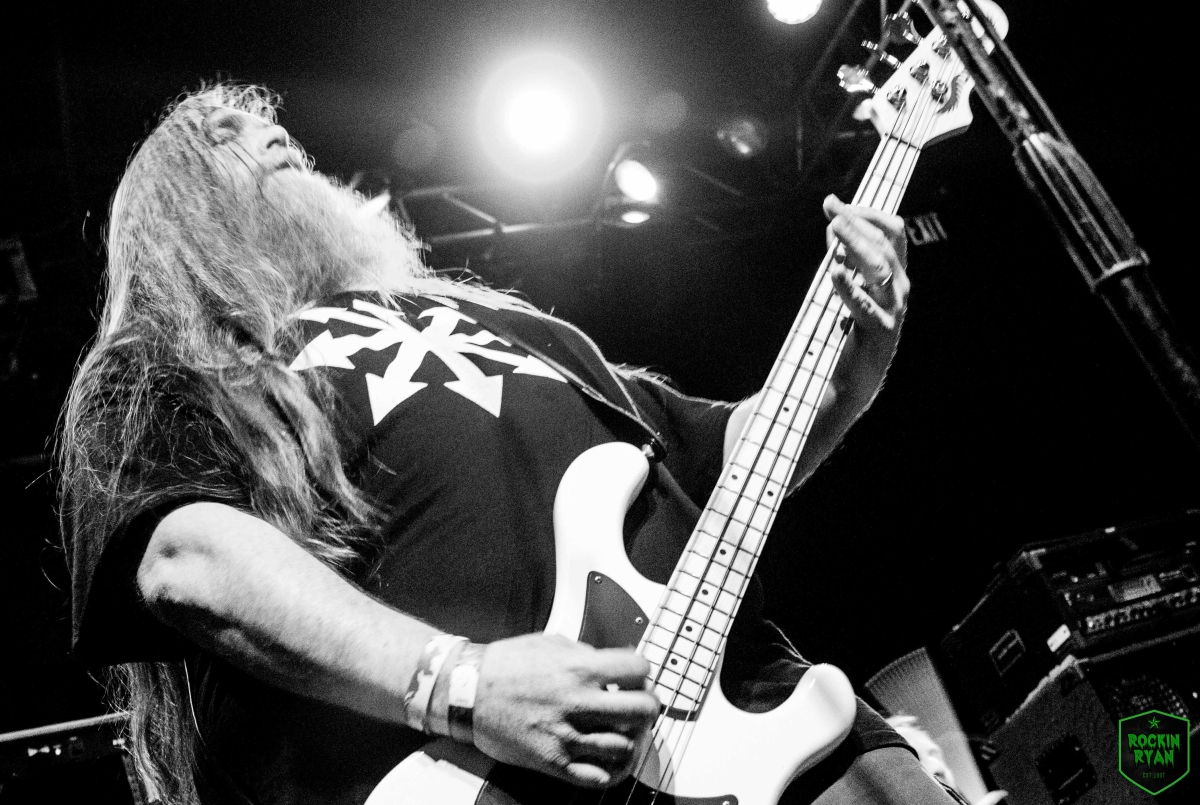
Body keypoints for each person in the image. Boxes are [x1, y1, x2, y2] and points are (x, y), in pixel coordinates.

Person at [59, 84, 950, 805]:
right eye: (219, 136)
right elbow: (186, 559)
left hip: (755, 715)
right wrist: (464, 687)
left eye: (264, 122)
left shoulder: (517, 326)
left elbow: (739, 457)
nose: (264, 130)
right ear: (181, 220)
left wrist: (855, 357)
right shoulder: (181, 360)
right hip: (460, 774)